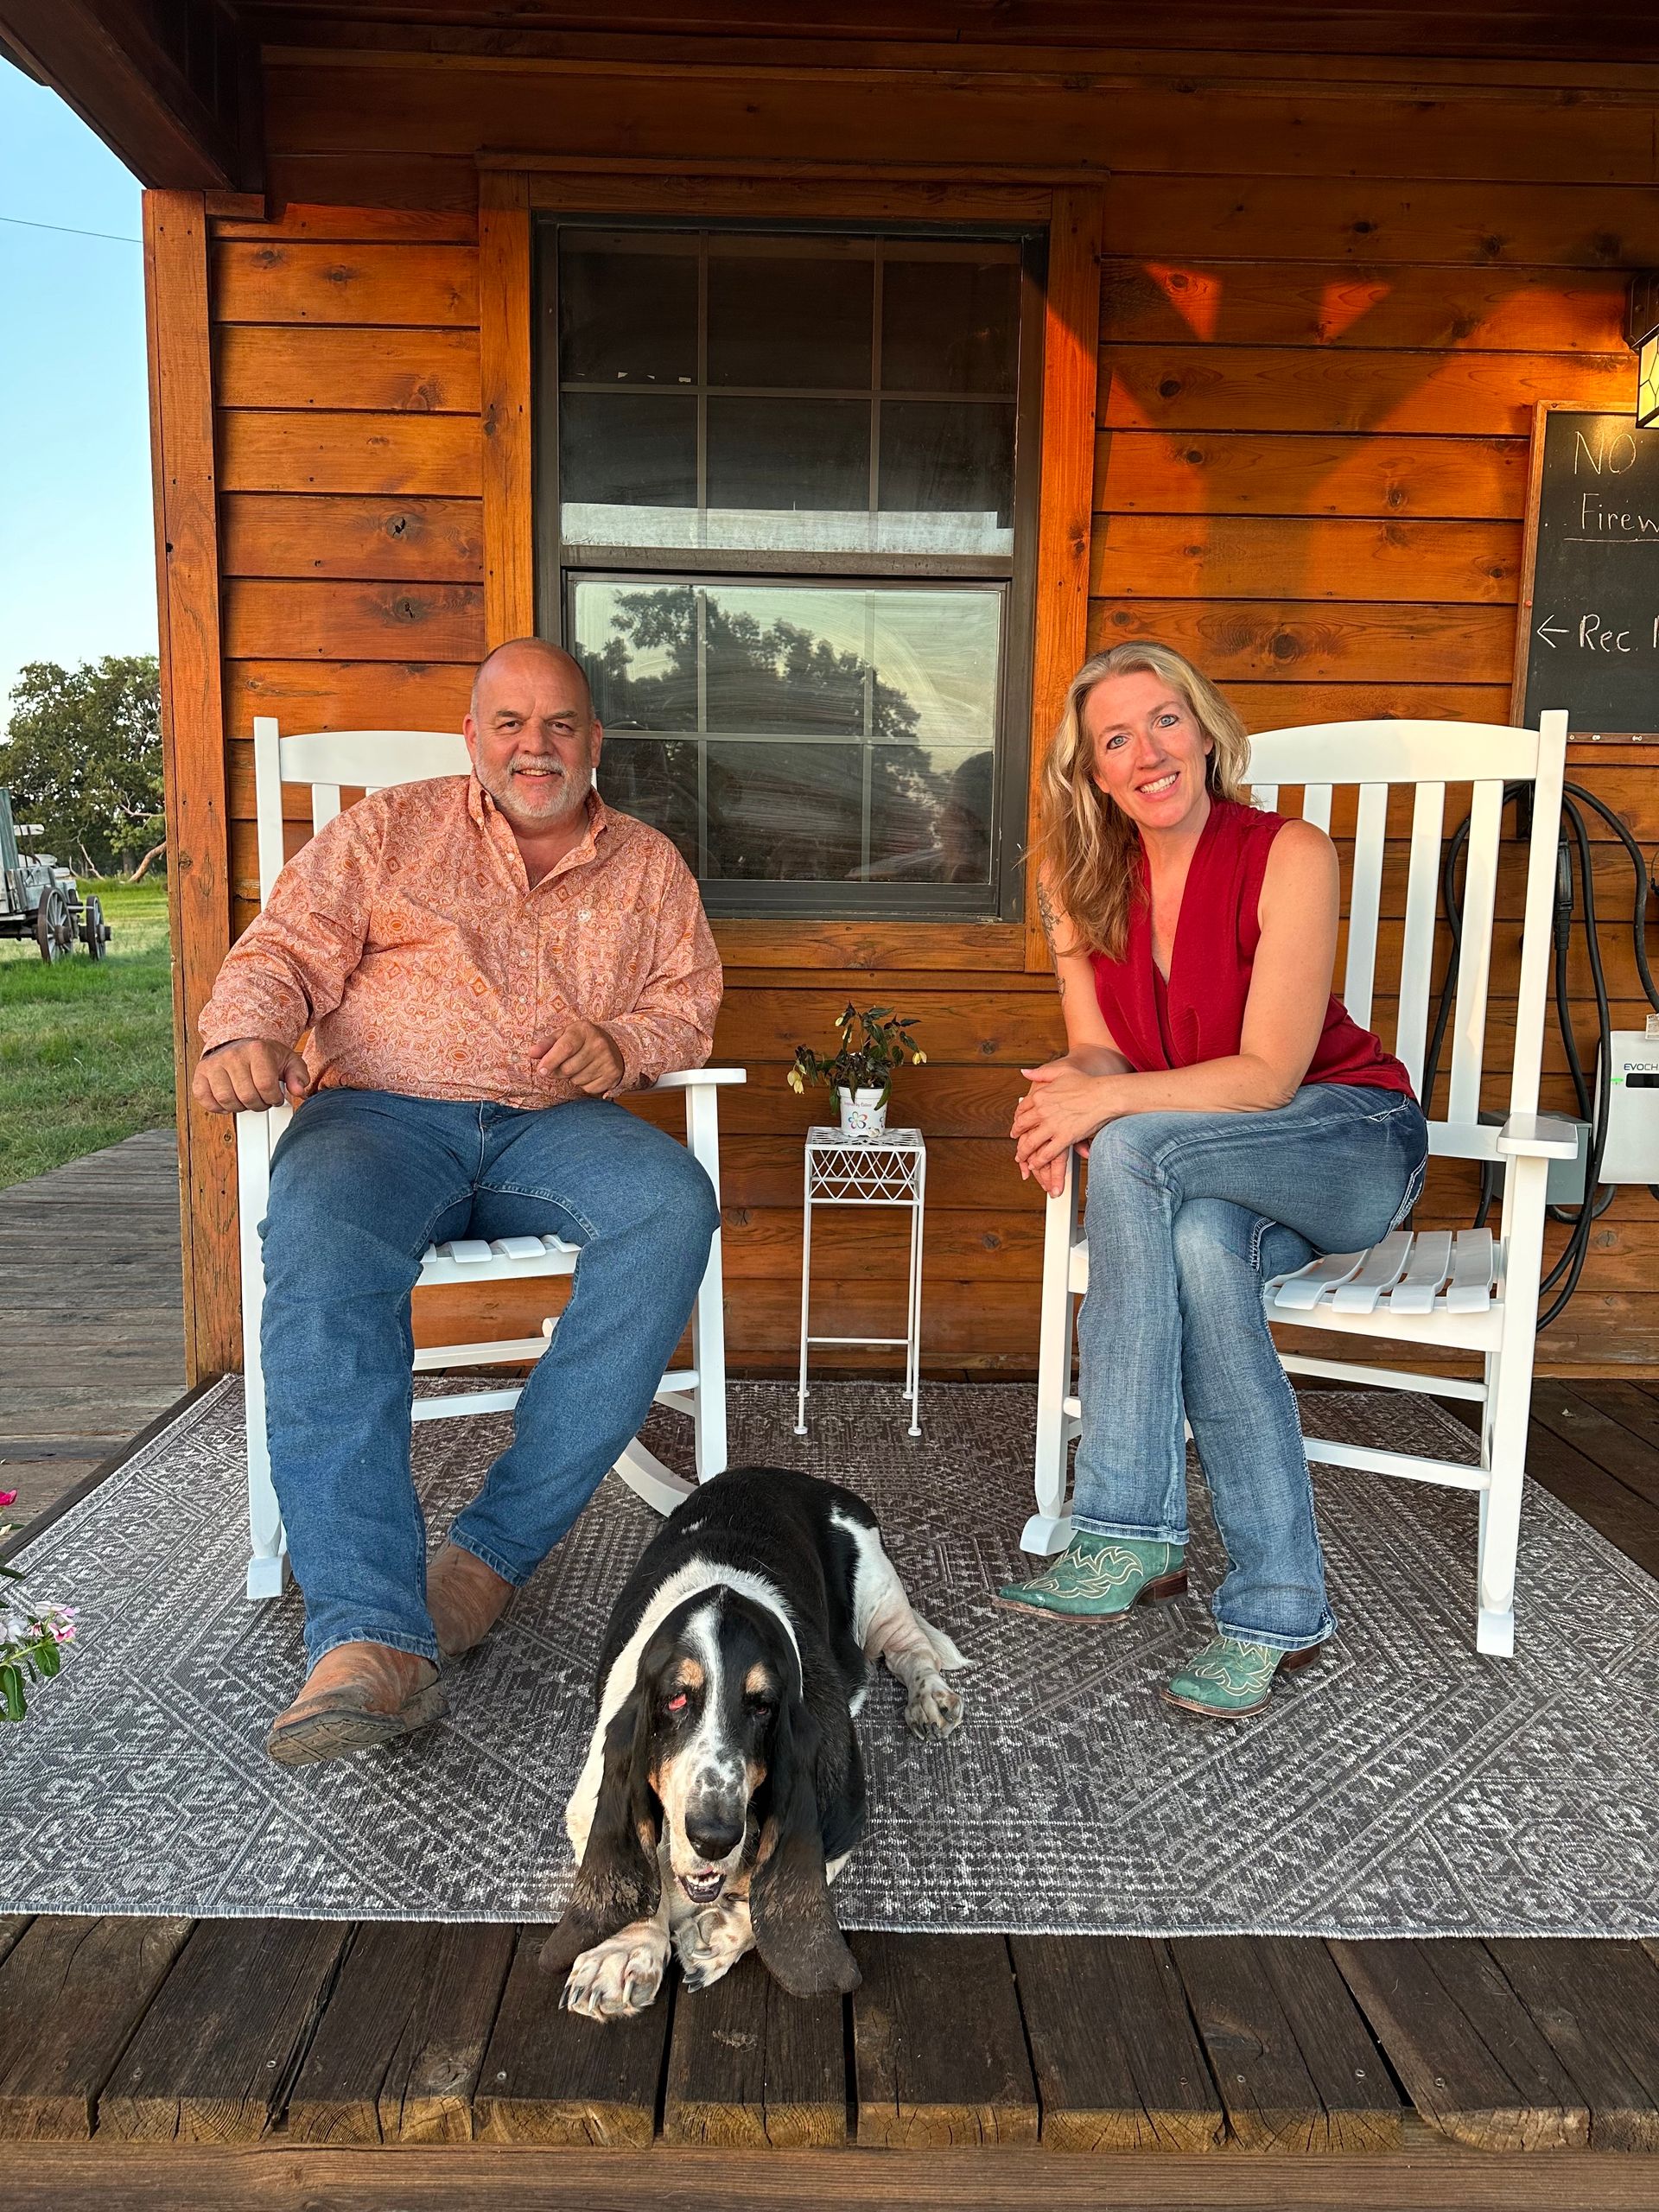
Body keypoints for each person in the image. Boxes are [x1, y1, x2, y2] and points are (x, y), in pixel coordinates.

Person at [193, 638, 723, 1766]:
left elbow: (684, 1009)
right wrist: (247, 1031)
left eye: (561, 724)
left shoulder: (648, 866)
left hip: (550, 1127)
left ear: (595, 741)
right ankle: (366, 1636)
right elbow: (283, 951)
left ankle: (482, 1564)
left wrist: (619, 1042)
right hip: (379, 1119)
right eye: (510, 723)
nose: (537, 745)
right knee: (324, 1237)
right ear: (473, 738)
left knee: (669, 1205)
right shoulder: (389, 829)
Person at [997, 642, 1428, 1719]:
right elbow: (1100, 1053)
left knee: (1136, 1146)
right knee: (1198, 1250)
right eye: (1116, 738)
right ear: (1092, 774)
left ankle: (1126, 1524)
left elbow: (1271, 1073)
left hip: (1346, 1136)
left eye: (1166, 721)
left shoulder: (1291, 852)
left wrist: (1101, 1110)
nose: (1148, 751)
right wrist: (1063, 1096)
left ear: (1205, 730)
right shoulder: (1078, 883)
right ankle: (1278, 1607)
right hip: (1210, 1169)